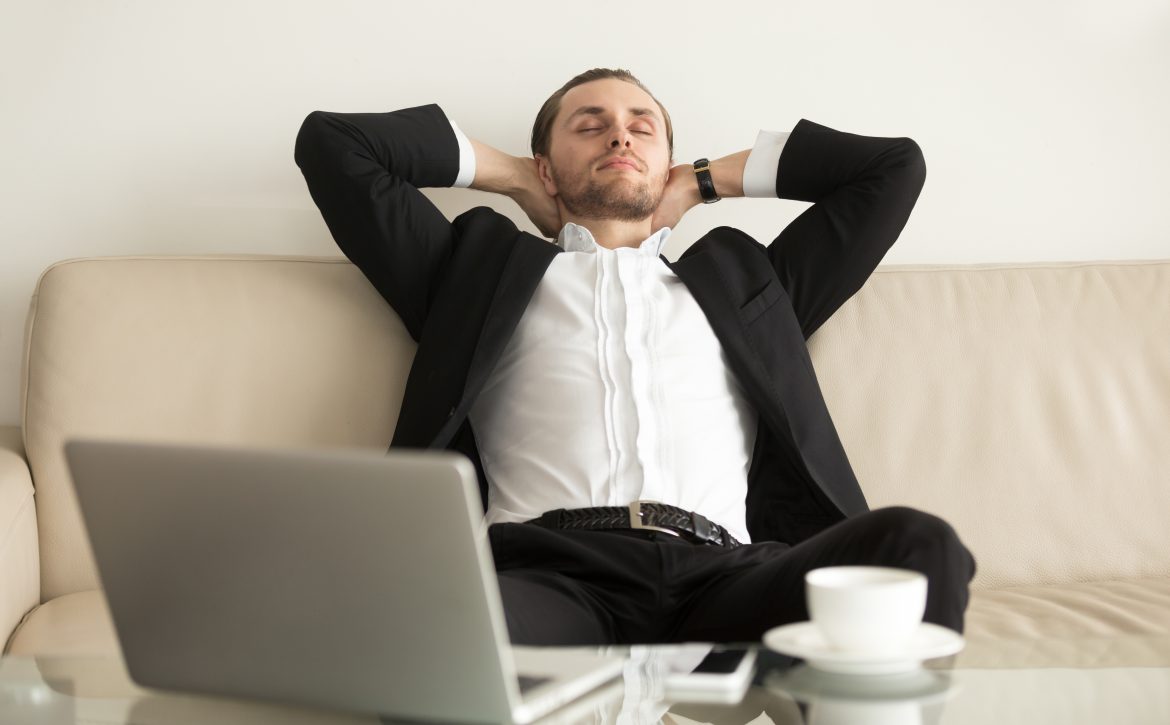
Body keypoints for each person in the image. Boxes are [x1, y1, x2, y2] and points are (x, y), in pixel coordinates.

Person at [294, 67, 977, 646]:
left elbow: (892, 168)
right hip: (546, 574)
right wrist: (514, 179)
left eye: (642, 126)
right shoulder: (473, 270)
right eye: (589, 126)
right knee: (423, 631)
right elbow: (333, 144)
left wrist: (702, 182)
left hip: (728, 577)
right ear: (546, 164)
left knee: (919, 545)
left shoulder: (751, 284)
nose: (620, 133)